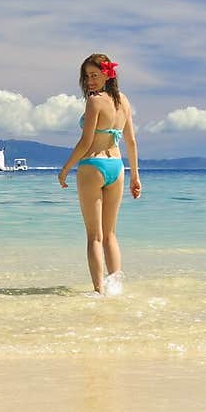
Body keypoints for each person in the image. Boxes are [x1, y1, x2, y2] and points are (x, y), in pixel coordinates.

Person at [57, 53, 141, 294]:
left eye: (94, 75)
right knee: (111, 235)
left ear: (108, 74)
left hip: (93, 166)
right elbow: (131, 142)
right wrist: (135, 176)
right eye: (87, 77)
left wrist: (65, 169)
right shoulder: (124, 101)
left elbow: (85, 142)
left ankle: (99, 292)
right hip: (117, 167)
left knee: (95, 236)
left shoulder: (95, 102)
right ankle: (116, 288)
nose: (90, 81)